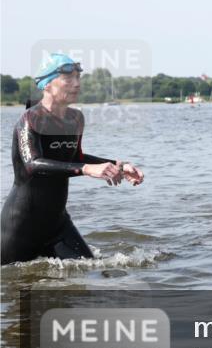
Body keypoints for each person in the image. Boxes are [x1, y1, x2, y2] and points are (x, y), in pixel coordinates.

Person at [1, 54, 144, 264]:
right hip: (21, 226)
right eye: (69, 79)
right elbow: (32, 164)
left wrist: (118, 166)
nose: (77, 84)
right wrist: (86, 169)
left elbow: (74, 157)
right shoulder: (30, 118)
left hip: (57, 225)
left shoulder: (75, 118)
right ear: (47, 84)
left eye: (79, 78)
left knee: (91, 272)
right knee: (15, 287)